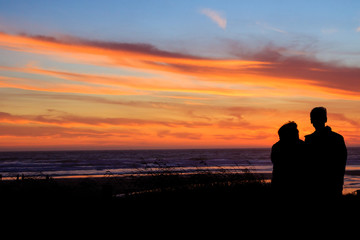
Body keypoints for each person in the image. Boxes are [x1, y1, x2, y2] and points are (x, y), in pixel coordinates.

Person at [305, 107, 347, 199]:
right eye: (314, 118)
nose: (316, 121)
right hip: (314, 185)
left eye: (318, 118)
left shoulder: (337, 139)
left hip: (331, 184)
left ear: (325, 119)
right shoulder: (309, 140)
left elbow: (341, 163)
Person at [271, 121, 306, 200]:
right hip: (285, 183)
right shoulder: (301, 145)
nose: (297, 133)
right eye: (295, 132)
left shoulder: (302, 145)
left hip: (292, 184)